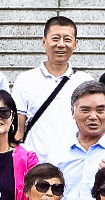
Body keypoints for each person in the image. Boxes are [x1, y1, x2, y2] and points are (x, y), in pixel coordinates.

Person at [12, 15, 91, 158]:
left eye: (67, 39)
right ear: (44, 42)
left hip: (75, 163)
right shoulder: (25, 80)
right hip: (35, 165)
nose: (61, 44)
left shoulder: (85, 82)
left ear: (75, 44)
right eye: (55, 38)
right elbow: (18, 132)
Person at [51, 80, 105, 200]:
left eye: (100, 110)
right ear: (73, 112)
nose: (93, 117)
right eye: (85, 110)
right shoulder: (58, 152)